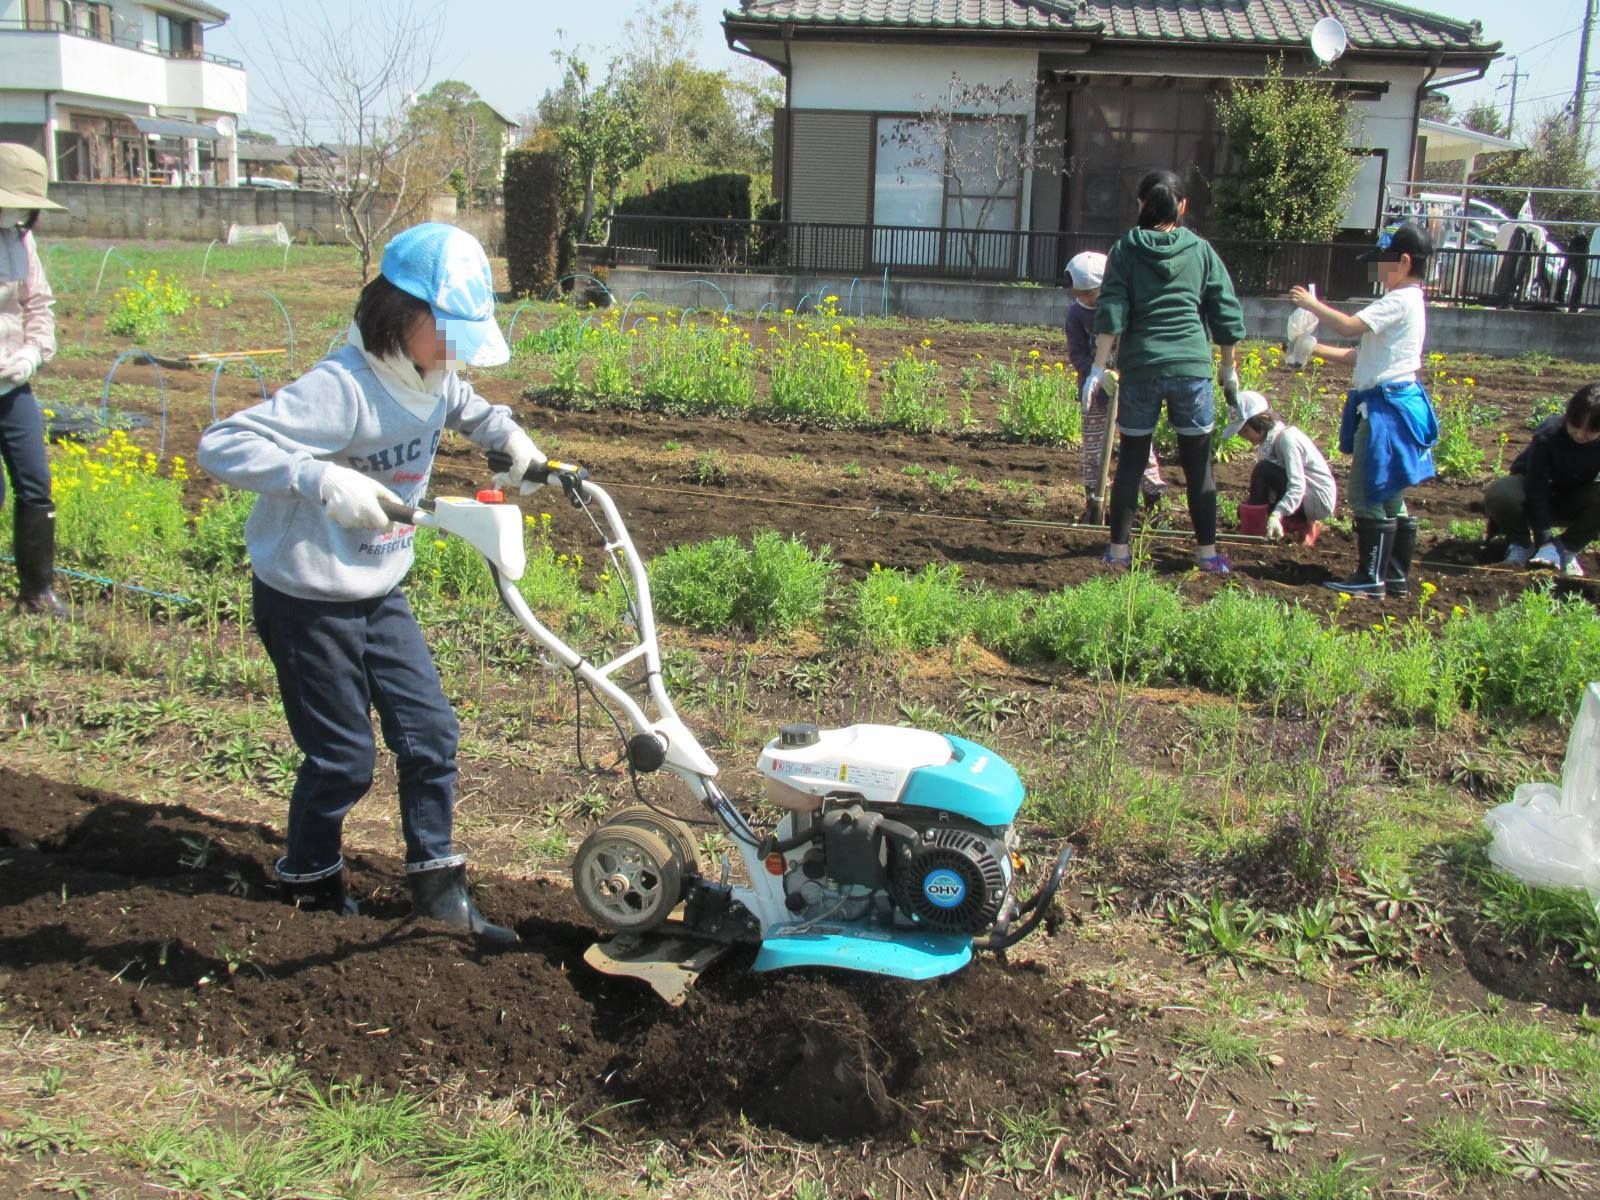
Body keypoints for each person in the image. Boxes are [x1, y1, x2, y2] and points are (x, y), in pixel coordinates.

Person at [197, 222, 545, 945]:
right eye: (446, 333)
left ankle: (438, 889)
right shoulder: (344, 389)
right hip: (306, 598)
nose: (455, 352)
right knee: (343, 760)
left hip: (379, 588)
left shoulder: (431, 374)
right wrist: (319, 479)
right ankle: (309, 881)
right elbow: (223, 443)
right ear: (400, 314)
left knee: (431, 734)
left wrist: (509, 438)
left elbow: (464, 404)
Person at [1081, 170, 1246, 573]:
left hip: (1141, 368)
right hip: (1192, 369)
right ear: (1182, 206)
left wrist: (1097, 368)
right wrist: (1227, 367)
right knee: (1198, 465)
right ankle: (1207, 555)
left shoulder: (1126, 249)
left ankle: (1118, 552)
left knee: (1132, 462)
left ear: (1141, 204)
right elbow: (1224, 309)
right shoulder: (1201, 251)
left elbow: (1112, 309)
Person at [1289, 223, 1438, 598]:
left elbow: (1350, 326)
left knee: (1365, 491)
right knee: (1389, 492)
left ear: (1404, 262)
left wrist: (1311, 305)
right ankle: (1394, 576)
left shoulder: (1398, 300)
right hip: (1398, 405)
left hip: (1385, 411)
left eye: (1382, 263)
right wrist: (1314, 349)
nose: (1377, 271)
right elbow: (1361, 355)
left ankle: (1370, 577)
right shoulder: (1411, 304)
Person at [0, 143, 67, 616]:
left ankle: (37, 593)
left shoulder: (19, 241)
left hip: (11, 386)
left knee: (35, 484)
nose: (18, 213)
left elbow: (38, 304)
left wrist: (32, 352)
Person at [1064, 250, 1165, 519]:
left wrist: (1123, 372)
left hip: (1131, 390)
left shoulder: (1125, 308)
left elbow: (1139, 344)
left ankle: (1154, 503)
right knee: (1094, 451)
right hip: (1095, 393)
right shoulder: (1076, 314)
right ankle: (1095, 505)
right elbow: (1077, 353)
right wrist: (1095, 374)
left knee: (1141, 448)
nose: (1085, 299)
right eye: (1079, 294)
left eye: (1090, 294)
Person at [1484, 382, 1600, 578]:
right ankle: (1521, 544)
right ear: (1567, 416)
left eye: (1590, 431)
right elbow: (1536, 488)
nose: (1580, 435)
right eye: (1575, 426)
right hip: (1530, 497)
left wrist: (1554, 548)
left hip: (1571, 499)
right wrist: (1543, 540)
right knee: (1500, 492)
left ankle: (1565, 549)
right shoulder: (1549, 435)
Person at [1222, 390, 1337, 551]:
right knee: (1248, 509)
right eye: (1241, 434)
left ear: (1263, 420)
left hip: (1317, 500)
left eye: (1246, 431)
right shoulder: (1267, 444)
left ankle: (1296, 524)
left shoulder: (1287, 440)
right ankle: (1278, 526)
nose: (1244, 437)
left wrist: (1276, 514)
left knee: (1263, 470)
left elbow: (1297, 485)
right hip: (1304, 495)